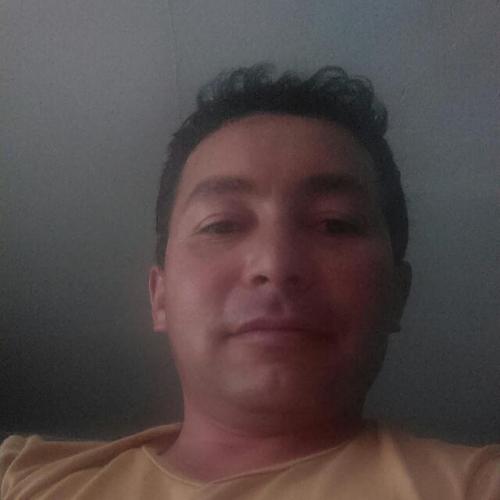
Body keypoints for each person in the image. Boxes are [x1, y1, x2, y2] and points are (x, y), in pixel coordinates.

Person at [1, 65, 498, 499]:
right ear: (160, 296)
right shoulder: (22, 475)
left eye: (334, 224)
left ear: (397, 294)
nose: (275, 264)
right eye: (221, 224)